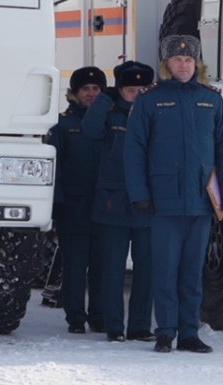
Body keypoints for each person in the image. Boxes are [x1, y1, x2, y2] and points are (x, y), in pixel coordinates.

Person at [123, 35, 223, 354]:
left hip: (202, 202)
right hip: (163, 200)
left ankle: (189, 332)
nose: (183, 65)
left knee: (192, 270)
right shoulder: (149, 100)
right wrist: (140, 193)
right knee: (165, 269)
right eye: (177, 60)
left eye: (189, 61)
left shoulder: (212, 100)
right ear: (166, 65)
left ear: (197, 64)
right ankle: (164, 332)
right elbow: (134, 150)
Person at [81, 60, 155, 343]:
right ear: (119, 90)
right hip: (113, 201)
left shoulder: (154, 116)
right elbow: (90, 131)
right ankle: (114, 326)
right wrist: (103, 100)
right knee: (112, 268)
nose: (136, 95)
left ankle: (139, 326)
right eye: (129, 90)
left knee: (146, 269)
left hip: (146, 202)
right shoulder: (110, 115)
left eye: (142, 89)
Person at [47, 65, 107, 333]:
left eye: (96, 89)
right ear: (75, 93)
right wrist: (56, 202)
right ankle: (75, 317)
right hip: (73, 206)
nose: (91, 94)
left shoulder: (109, 121)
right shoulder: (63, 125)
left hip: (103, 207)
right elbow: (55, 167)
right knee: (74, 266)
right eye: (86, 89)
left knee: (101, 266)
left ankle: (99, 315)